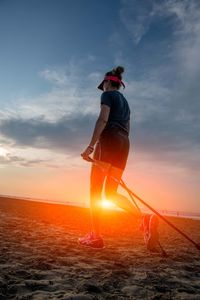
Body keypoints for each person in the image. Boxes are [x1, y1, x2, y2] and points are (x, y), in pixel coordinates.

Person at [79, 66, 158, 250]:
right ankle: (143, 218)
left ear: (108, 83)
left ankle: (95, 236)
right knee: (111, 194)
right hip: (124, 144)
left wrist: (91, 146)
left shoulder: (107, 95)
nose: (103, 87)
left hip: (109, 140)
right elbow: (128, 128)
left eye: (104, 84)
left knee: (95, 192)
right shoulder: (126, 103)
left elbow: (103, 119)